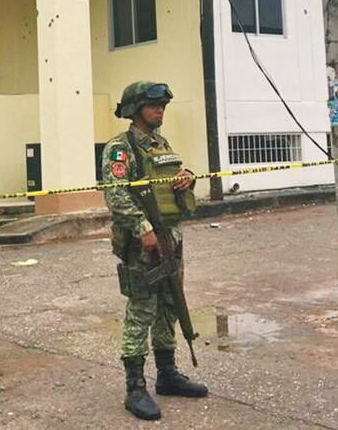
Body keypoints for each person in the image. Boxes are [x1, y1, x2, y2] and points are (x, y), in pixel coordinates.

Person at [101, 81, 208, 421]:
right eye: (152, 106)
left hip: (170, 237)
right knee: (142, 309)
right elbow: (116, 193)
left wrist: (185, 178)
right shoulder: (121, 148)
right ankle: (134, 386)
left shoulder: (160, 144)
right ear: (135, 110)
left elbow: (169, 179)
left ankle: (167, 374)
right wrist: (141, 227)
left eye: (162, 105)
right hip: (142, 243)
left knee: (169, 306)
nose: (159, 110)